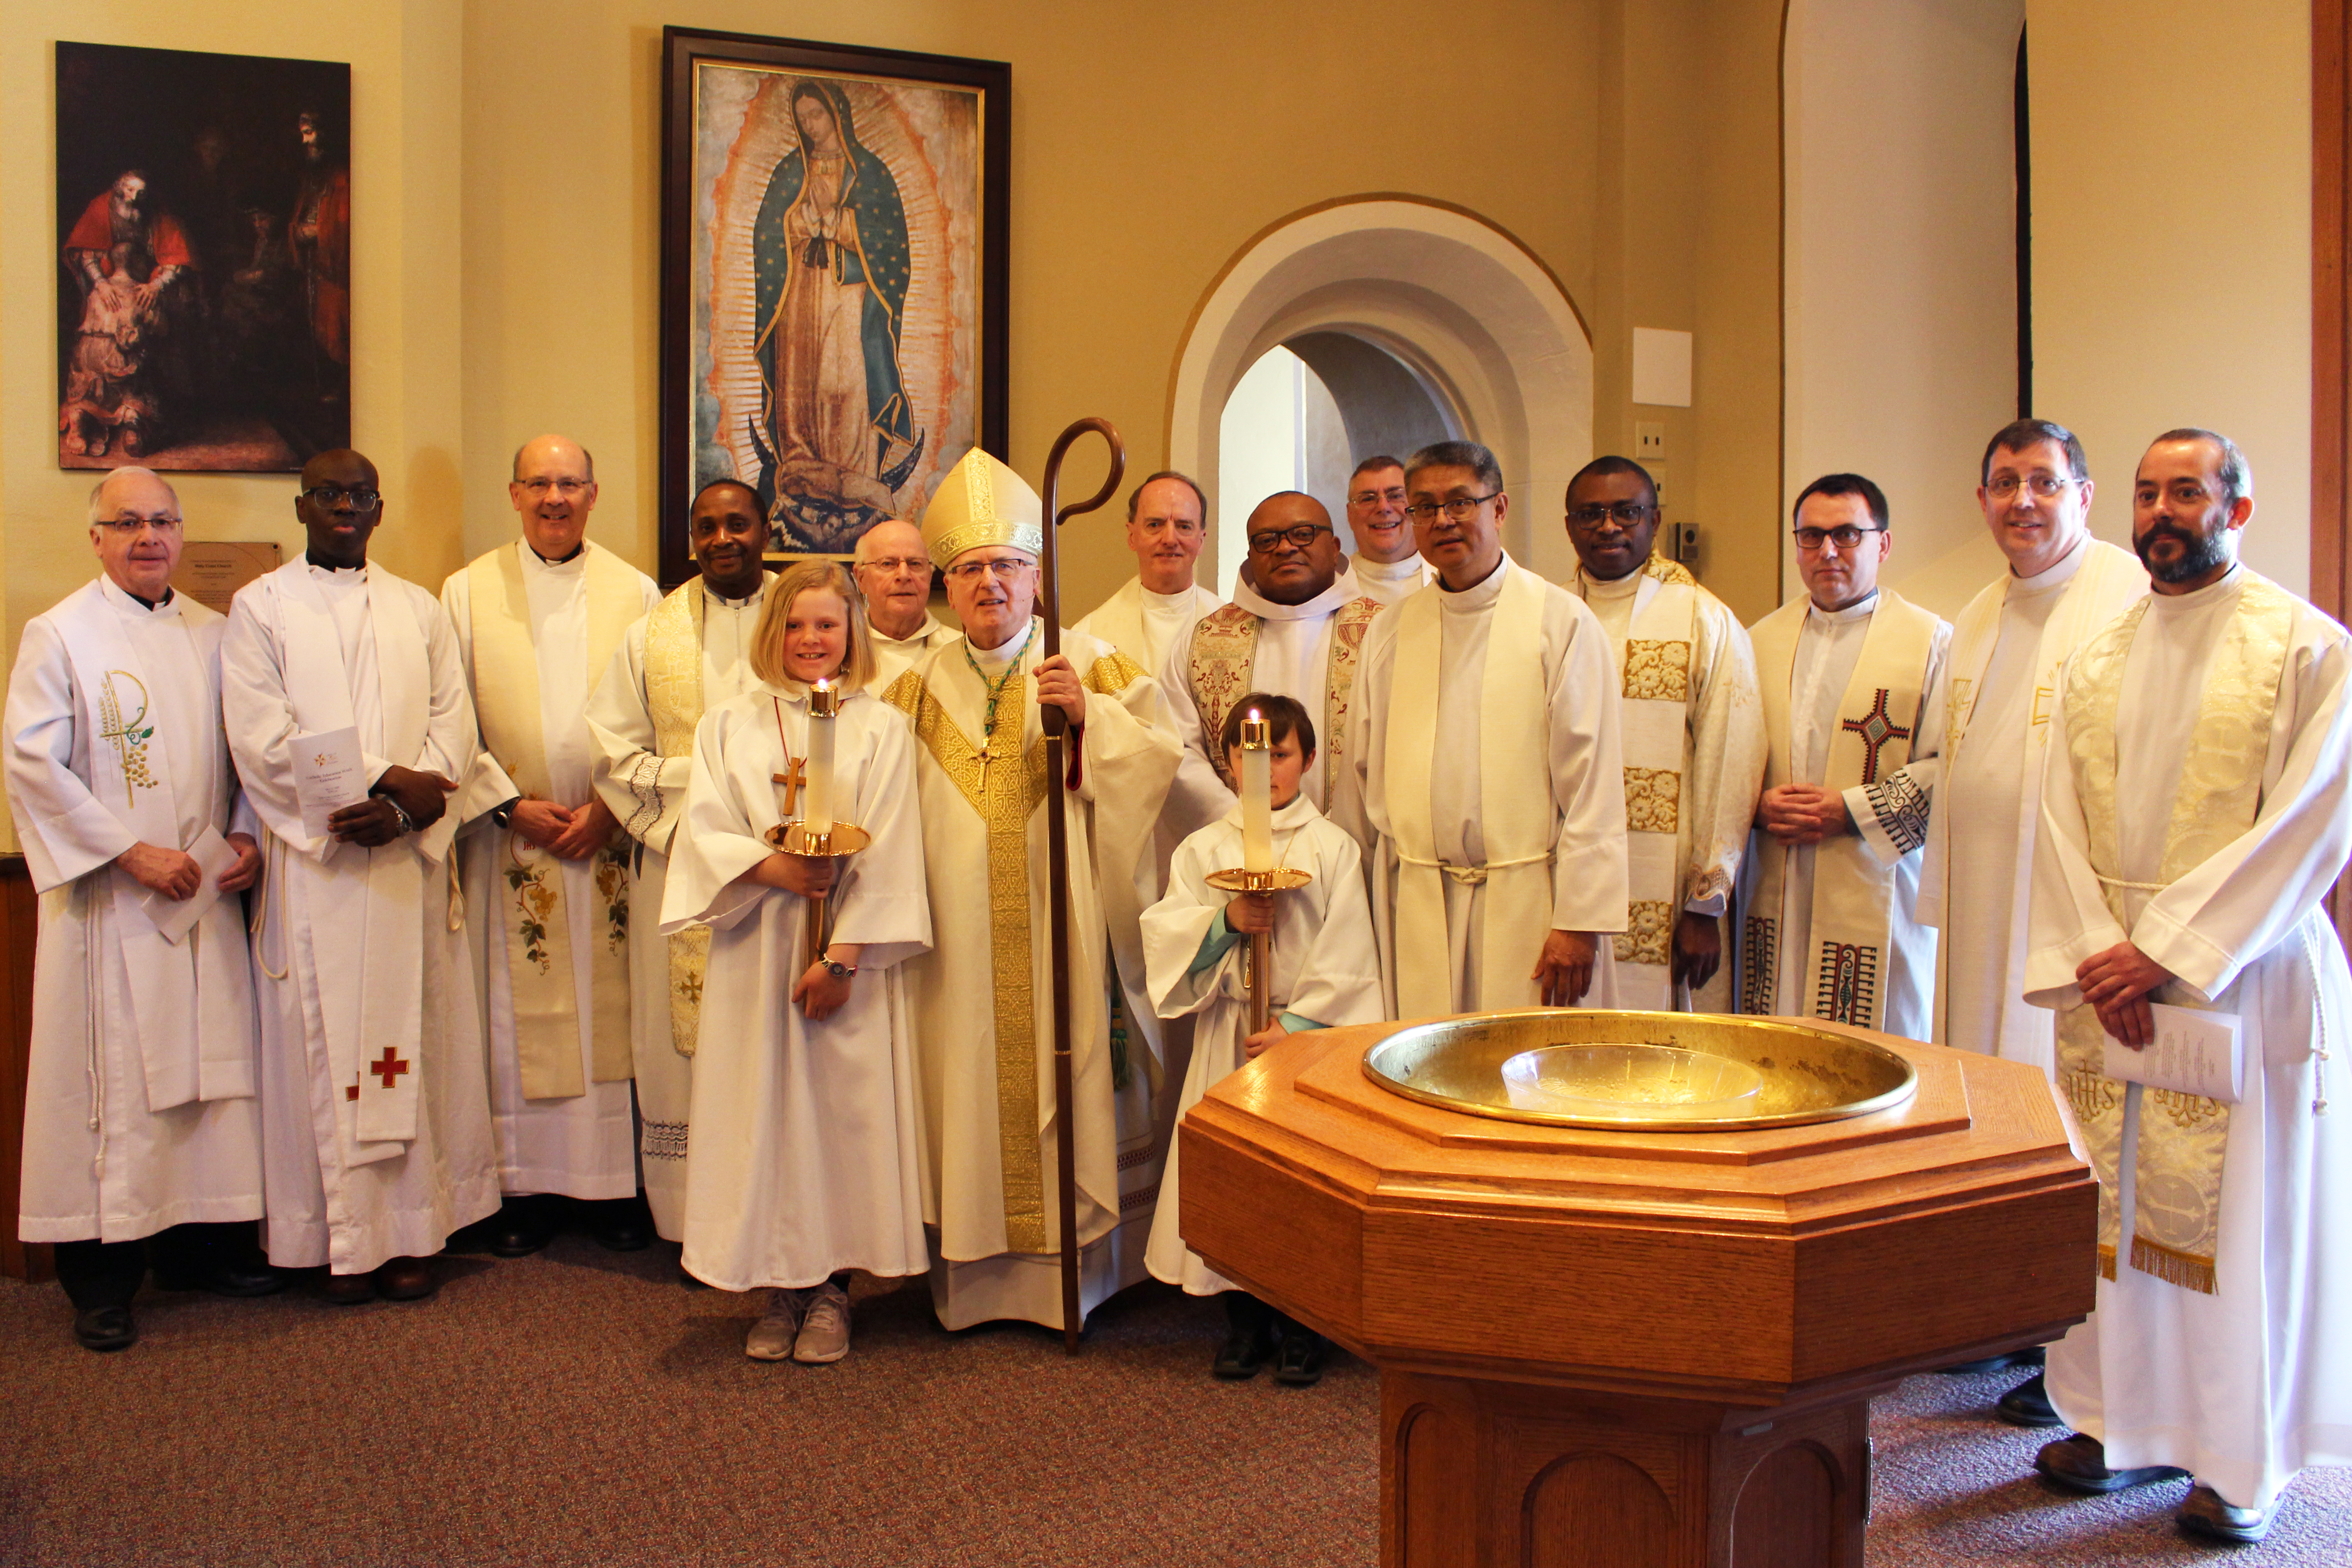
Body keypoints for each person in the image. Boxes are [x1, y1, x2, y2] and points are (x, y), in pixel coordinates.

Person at [2023, 429, 2352, 1546]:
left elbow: (2313, 818)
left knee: (2239, 1229)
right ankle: (2119, 1424)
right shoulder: (2098, 654)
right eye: (2148, 491)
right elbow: (2054, 817)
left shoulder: (2307, 647)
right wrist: (2092, 947)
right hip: (2110, 980)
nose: (2162, 510)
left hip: (2237, 981)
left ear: (2237, 507)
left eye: (2187, 491)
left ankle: (2235, 1461)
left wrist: (2164, 948)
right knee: (2108, 1221)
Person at [878, 447, 1181, 1331]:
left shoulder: (1092, 661)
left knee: (1074, 1060)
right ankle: (975, 1279)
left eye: (1006, 566)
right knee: (963, 1078)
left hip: (1066, 926)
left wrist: (1090, 719)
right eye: (968, 569)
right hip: (954, 945)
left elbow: (1162, 770)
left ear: (1036, 577)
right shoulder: (912, 686)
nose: (988, 585)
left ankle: (1076, 1278)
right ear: (947, 584)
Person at [7, 468, 275, 1351]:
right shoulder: (60, 634)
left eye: (162, 520)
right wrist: (130, 852)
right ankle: (103, 1279)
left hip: (200, 898)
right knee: (112, 1086)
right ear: (96, 536)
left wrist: (242, 838)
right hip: (111, 909)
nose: (148, 536)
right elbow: (34, 765)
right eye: (127, 522)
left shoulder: (216, 632)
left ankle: (202, 1247)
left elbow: (244, 757)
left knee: (211, 1073)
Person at [221, 448, 498, 1303]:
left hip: (403, 869)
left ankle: (411, 1230)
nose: (347, 505)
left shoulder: (418, 608)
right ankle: (328, 1237)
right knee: (324, 1045)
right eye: (330, 493)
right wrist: (382, 784)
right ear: (303, 505)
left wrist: (413, 813)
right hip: (322, 870)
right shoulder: (258, 607)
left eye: (362, 495)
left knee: (409, 1040)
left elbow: (456, 723)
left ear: (379, 510)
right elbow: (261, 739)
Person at [1916, 419, 2146, 1422]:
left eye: (2043, 482)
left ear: (2083, 495)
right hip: (1983, 911)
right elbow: (1953, 765)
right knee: (1994, 1115)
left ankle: (2076, 1353)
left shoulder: (2132, 598)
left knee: (2070, 1126)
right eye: (2004, 482)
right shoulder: (1973, 613)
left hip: (2075, 917)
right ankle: (2009, 1316)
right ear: (1982, 501)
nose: (2023, 501)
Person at [662, 560, 930, 1363]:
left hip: (841, 952)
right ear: (773, 630)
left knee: (836, 1120)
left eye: (828, 624)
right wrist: (775, 867)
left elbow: (893, 845)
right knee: (765, 1113)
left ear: (853, 632)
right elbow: (704, 826)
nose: (812, 639)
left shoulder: (881, 727)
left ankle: (833, 1291)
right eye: (797, 624)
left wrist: (843, 960)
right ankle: (777, 1285)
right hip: (757, 943)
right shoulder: (729, 724)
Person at [442, 435, 660, 1258]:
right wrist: (507, 805)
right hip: (517, 844)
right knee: (514, 1009)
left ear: (594, 493)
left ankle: (612, 1186)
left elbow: (656, 710)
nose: (554, 497)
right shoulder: (466, 593)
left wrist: (609, 807)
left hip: (606, 839)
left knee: (614, 1005)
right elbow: (447, 714)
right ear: (514, 491)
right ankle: (523, 1186)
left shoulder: (634, 591)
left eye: (570, 482)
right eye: (539, 481)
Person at [1141, 693, 1379, 1385]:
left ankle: (1307, 1327)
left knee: (1304, 1185)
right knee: (1234, 1181)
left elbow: (1350, 952)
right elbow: (1167, 933)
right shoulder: (1202, 849)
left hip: (1301, 1047)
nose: (1263, 768)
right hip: (1229, 1035)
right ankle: (1243, 1322)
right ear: (1224, 763)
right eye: (1248, 756)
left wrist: (1298, 1028)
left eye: (1277, 754)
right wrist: (1225, 921)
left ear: (1306, 760)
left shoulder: (1332, 848)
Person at [1343, 440, 1629, 1015]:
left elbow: (1593, 785)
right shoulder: (1393, 632)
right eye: (1424, 507)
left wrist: (1580, 921)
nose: (1443, 520)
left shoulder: (1560, 622)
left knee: (1527, 1083)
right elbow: (1360, 773)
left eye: (1460, 503)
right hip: (1415, 902)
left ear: (1498, 509)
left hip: (1532, 904)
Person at [585, 478, 774, 1243]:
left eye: (737, 523)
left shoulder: (808, 618)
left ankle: (774, 1198)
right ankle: (693, 1213)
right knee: (679, 1043)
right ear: (691, 538)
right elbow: (611, 752)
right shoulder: (651, 633)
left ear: (767, 528)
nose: (722, 538)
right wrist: (711, 802)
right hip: (680, 870)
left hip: (780, 870)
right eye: (706, 527)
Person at [1738, 474, 1948, 1038]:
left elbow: (1949, 767)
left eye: (1847, 535)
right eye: (1811, 537)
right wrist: (1754, 808)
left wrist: (1851, 810)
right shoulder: (1757, 642)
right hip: (1774, 882)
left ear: (1882, 544)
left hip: (1876, 882)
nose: (1828, 551)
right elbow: (1729, 758)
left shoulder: (1932, 643)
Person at [1563, 456, 1765, 1012]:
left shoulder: (1704, 619)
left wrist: (1705, 905)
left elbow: (1733, 760)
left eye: (1627, 512)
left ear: (1654, 520)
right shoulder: (1547, 616)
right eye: (1591, 514)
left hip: (1669, 889)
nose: (1609, 527)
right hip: (1565, 888)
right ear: (1569, 525)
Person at [1163, 491, 1382, 837]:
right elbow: (1178, 748)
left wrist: (1334, 834)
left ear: (1335, 546)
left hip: (1357, 847)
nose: (1285, 548)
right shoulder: (1206, 639)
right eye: (1267, 540)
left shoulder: (1381, 632)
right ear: (1251, 555)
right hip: (1235, 844)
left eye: (1303, 534)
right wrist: (1241, 820)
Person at [59, 172, 192, 459]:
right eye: (130, 191)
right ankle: (81, 418)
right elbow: (86, 254)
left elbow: (176, 260)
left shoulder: (155, 214)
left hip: (143, 286)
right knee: (95, 332)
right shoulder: (101, 208)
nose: (135, 198)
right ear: (119, 191)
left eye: (140, 192)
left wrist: (156, 285)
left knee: (142, 323)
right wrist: (102, 284)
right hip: (107, 285)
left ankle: (133, 419)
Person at [1071, 471, 1224, 673]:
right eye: (1155, 525)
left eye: (1184, 526)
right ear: (1132, 536)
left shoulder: (1231, 628)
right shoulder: (1089, 637)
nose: (1170, 539)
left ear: (1201, 540)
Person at [853, 516, 958, 687]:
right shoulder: (841, 649)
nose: (903, 575)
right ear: (861, 578)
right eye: (887, 564)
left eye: (915, 564)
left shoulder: (960, 651)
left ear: (930, 575)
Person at [1342, 456, 1432, 606]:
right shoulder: (1330, 586)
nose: (1384, 508)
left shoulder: (1451, 580)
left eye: (1396, 496)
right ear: (1350, 514)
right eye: (1368, 499)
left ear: (1417, 508)